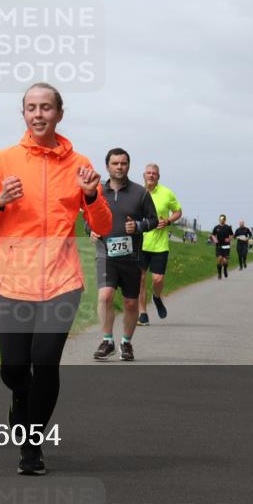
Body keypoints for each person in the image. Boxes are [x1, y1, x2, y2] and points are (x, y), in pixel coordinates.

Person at [0, 82, 112, 476]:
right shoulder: (3, 160)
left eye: (46, 107)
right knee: (14, 369)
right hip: (13, 281)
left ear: (59, 114)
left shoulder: (79, 164)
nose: (38, 114)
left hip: (61, 280)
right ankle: (20, 402)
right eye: (31, 107)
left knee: (45, 363)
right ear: (24, 114)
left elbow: (103, 226)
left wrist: (93, 196)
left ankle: (32, 443)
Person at [89, 149, 157, 359]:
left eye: (123, 163)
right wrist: (89, 229)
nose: (119, 167)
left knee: (130, 302)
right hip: (106, 254)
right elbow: (87, 218)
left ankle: (126, 343)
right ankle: (107, 340)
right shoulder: (97, 192)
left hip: (131, 257)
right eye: (115, 163)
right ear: (107, 166)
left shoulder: (141, 193)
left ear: (128, 166)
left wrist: (137, 226)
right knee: (105, 295)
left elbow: (153, 220)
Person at [137, 164, 182, 325]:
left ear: (158, 177)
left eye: (154, 173)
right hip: (140, 243)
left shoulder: (166, 193)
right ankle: (143, 314)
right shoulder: (137, 193)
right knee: (140, 280)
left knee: (157, 279)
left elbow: (178, 211)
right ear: (144, 175)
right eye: (148, 173)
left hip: (160, 245)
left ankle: (156, 297)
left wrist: (168, 220)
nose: (151, 175)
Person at [210, 214, 235, 279]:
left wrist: (229, 239)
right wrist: (215, 239)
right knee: (219, 259)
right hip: (219, 246)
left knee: (225, 261)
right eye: (221, 219)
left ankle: (225, 269)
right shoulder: (216, 227)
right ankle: (219, 274)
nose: (222, 220)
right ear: (219, 219)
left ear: (225, 220)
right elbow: (212, 235)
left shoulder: (228, 227)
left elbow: (232, 235)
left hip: (226, 246)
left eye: (223, 219)